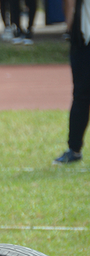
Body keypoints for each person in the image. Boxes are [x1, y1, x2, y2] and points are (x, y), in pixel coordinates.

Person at [53, 0, 89, 164]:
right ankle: (74, 149)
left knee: (81, 95)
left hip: (81, 40)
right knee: (81, 95)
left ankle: (74, 150)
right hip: (82, 41)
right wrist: (70, 28)